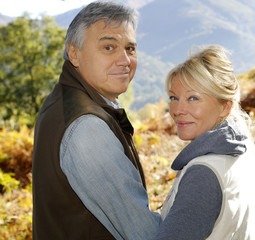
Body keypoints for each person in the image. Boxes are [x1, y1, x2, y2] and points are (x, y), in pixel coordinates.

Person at [32, 1, 161, 239]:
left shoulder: (66, 98)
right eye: (109, 47)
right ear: (74, 53)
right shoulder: (87, 128)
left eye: (130, 48)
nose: (125, 60)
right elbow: (145, 233)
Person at [152, 45, 255, 240]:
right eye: (174, 97)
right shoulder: (242, 144)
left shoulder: (203, 173)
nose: (177, 109)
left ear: (225, 107)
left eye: (193, 98)